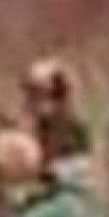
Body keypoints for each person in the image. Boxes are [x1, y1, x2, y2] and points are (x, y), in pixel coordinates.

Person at [22, 58, 92, 187]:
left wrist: (50, 173)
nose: (28, 102)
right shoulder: (35, 129)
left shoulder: (73, 128)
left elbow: (83, 168)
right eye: (29, 95)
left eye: (36, 94)